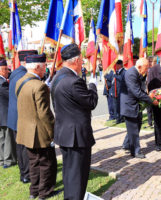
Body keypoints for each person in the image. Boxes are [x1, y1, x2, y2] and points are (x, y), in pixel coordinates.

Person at [50, 44, 98, 200]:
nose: (82, 63)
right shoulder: (73, 81)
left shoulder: (57, 76)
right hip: (76, 136)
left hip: (65, 133)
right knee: (78, 175)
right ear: (76, 60)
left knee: (70, 173)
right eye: (82, 60)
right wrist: (93, 84)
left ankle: (70, 197)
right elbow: (91, 102)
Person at [15, 53, 58, 200]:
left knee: (33, 162)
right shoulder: (39, 86)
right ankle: (45, 192)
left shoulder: (20, 81)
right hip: (39, 131)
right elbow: (44, 113)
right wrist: (53, 131)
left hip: (25, 130)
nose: (45, 68)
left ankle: (34, 191)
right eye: (44, 66)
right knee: (46, 163)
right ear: (38, 67)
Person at [7, 50, 38, 184]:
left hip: (15, 117)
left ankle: (24, 173)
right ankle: (27, 175)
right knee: (24, 149)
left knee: (21, 149)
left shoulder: (16, 73)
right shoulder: (22, 75)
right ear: (27, 61)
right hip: (21, 117)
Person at [120, 58, 158, 158]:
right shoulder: (131, 73)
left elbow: (140, 89)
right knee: (133, 129)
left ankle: (127, 144)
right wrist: (151, 100)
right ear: (140, 66)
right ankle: (135, 151)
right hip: (129, 105)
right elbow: (136, 92)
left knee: (137, 125)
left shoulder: (137, 73)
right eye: (146, 68)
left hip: (135, 105)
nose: (147, 70)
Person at [0, 59, 17, 169]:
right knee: (8, 138)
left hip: (1, 114)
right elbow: (11, 96)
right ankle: (9, 160)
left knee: (2, 138)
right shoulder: (2, 83)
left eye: (6, 69)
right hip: (5, 114)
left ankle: (2, 159)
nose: (6, 71)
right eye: (4, 69)